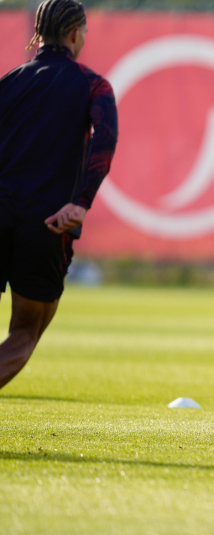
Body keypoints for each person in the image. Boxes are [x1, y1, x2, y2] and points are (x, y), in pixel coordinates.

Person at [0, 0, 117, 390]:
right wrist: (81, 202)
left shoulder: (10, 81)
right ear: (74, 33)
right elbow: (105, 140)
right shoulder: (92, 84)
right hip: (47, 222)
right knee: (25, 333)